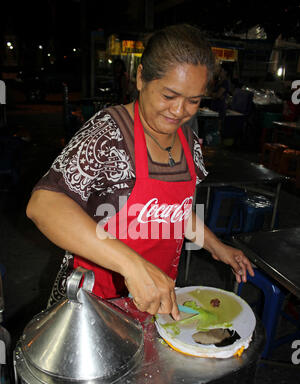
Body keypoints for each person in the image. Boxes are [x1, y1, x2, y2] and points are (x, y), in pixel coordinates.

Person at [26, 24, 254, 322]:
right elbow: (43, 205)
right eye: (169, 95)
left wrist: (215, 245)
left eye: (194, 100)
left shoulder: (187, 139)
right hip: (96, 302)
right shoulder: (107, 135)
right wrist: (131, 265)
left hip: (155, 297)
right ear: (141, 77)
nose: (180, 111)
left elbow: (173, 211)